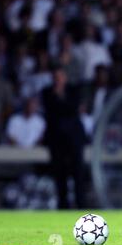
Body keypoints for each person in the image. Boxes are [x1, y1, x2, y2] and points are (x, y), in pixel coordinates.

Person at [42, 66, 87, 209]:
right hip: (56, 139)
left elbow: (72, 108)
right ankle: (63, 205)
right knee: (59, 172)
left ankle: (81, 204)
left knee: (77, 172)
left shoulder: (74, 90)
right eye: (55, 76)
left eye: (60, 76)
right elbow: (50, 110)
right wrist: (58, 98)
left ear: (65, 77)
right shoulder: (47, 92)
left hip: (74, 138)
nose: (58, 79)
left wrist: (59, 100)